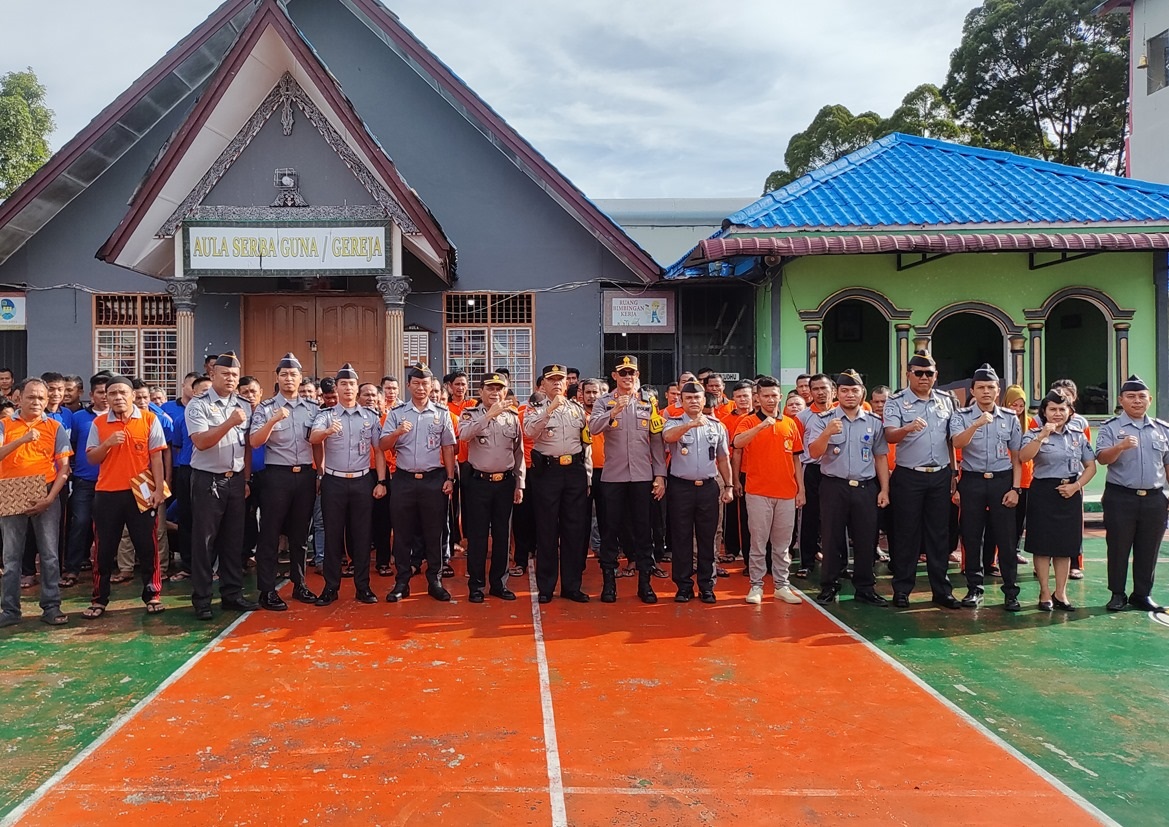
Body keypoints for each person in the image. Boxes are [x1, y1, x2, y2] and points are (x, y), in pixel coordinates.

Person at [82, 375, 167, 618]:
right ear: (105, 398)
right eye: (112, 394)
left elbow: (157, 458)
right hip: (107, 493)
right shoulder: (98, 424)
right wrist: (107, 443)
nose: (118, 397)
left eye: (123, 393)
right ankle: (99, 599)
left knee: (147, 545)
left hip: (140, 493)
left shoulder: (150, 420)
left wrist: (159, 490)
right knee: (104, 548)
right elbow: (92, 458)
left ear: (132, 395)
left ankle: (152, 594)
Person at [805, 369, 890, 606]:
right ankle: (829, 585)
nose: (850, 395)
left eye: (854, 390)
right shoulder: (823, 420)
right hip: (834, 486)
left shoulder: (874, 422)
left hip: (865, 487)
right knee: (832, 538)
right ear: (836, 393)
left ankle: (865, 587)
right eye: (844, 390)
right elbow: (813, 453)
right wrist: (827, 433)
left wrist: (884, 489)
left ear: (862, 393)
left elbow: (881, 457)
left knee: (866, 538)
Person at [588, 355, 667, 605]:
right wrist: (615, 410)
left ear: (638, 375)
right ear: (615, 376)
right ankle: (609, 583)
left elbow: (656, 440)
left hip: (643, 477)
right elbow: (594, 428)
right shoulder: (603, 402)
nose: (627, 377)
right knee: (610, 530)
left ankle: (645, 583)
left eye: (631, 373)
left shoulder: (648, 403)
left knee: (644, 530)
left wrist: (660, 475)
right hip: (613, 477)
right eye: (623, 373)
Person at [185, 351, 258, 620]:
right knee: (205, 542)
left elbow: (247, 446)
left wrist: (247, 478)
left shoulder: (244, 404)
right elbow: (202, 442)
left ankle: (232, 593)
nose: (230, 379)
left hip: (236, 480)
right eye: (225, 374)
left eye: (235, 375)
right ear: (213, 374)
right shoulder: (198, 404)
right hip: (208, 480)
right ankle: (202, 599)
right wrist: (229, 422)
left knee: (233, 540)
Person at [309, 363, 385, 606]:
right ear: (337, 388)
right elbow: (313, 439)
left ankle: (363, 587)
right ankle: (331, 587)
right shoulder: (326, 415)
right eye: (344, 384)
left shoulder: (370, 417)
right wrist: (328, 431)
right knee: (333, 535)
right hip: (334, 481)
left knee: (362, 536)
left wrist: (381, 480)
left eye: (352, 384)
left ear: (357, 388)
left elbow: (379, 450)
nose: (348, 388)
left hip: (362, 480)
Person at [248, 353, 320, 610]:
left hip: (305, 476)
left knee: (300, 535)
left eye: (294, 375)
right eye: (284, 374)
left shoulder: (313, 408)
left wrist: (319, 472)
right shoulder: (266, 408)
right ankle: (267, 590)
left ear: (300, 379)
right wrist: (273, 420)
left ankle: (299, 584)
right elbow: (255, 441)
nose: (289, 379)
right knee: (270, 533)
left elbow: (318, 443)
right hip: (276, 476)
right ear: (277, 378)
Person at [949, 364, 1023, 611]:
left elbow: (1017, 457)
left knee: (1006, 537)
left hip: (1002, 480)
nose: (986, 392)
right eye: (980, 387)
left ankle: (1011, 592)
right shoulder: (961, 416)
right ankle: (974, 589)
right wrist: (977, 424)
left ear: (998, 390)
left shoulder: (1010, 418)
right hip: (972, 480)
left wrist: (1016, 488)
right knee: (971, 536)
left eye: (990, 387)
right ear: (973, 390)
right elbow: (957, 443)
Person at [0, 378, 72, 627]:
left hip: (46, 490)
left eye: (42, 397)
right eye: (32, 397)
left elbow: (64, 467)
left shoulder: (55, 427)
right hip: (10, 490)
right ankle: (10, 610)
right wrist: (22, 439)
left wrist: (50, 498)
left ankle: (51, 606)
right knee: (11, 557)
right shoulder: (4, 425)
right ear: (18, 398)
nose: (37, 402)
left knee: (50, 555)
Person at [381, 363, 456, 603]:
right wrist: (397, 433)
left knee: (434, 531)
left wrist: (450, 478)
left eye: (425, 383)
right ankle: (402, 580)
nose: (421, 388)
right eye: (416, 383)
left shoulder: (441, 414)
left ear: (431, 385)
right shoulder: (397, 413)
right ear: (408, 385)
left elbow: (448, 448)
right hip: (404, 478)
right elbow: (383, 446)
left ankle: (434, 579)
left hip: (434, 478)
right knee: (402, 531)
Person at [1094, 375, 1169, 613]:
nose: (1137, 401)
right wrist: (1120, 446)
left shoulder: (1161, 429)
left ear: (1149, 399)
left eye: (1141, 397)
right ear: (1121, 400)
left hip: (1154, 498)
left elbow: (1167, 465)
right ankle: (1117, 594)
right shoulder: (1111, 427)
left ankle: (1142, 594)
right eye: (1131, 397)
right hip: (1121, 496)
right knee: (1118, 546)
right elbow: (1102, 459)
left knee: (1149, 547)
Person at [1019, 390, 1096, 611]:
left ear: (1070, 412)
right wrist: (1042, 435)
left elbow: (1090, 466)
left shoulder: (1078, 435)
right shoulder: (1034, 432)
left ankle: (1060, 592)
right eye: (1052, 409)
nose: (1057, 413)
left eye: (1062, 409)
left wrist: (1076, 486)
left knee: (1065, 546)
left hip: (1070, 491)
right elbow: (1024, 457)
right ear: (1044, 412)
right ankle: (1044, 592)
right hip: (1043, 492)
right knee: (1042, 546)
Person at [732, 375, 804, 605]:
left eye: (774, 395)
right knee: (758, 542)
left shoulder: (790, 423)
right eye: (766, 396)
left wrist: (800, 490)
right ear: (757, 398)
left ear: (780, 396)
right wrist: (762, 425)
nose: (771, 400)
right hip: (758, 492)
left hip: (786, 493)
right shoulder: (748, 421)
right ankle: (756, 585)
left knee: (783, 545)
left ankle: (782, 585)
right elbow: (738, 443)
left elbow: (796, 460)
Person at [525, 365, 592, 603]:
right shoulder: (535, 408)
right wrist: (549, 411)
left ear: (566, 383)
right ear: (543, 384)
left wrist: (588, 476)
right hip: (548, 472)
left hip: (574, 471)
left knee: (574, 529)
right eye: (551, 380)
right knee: (547, 529)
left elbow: (587, 444)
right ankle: (546, 586)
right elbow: (530, 431)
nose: (556, 383)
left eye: (560, 380)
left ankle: (572, 586)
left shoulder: (576, 410)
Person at [663, 381, 732, 604]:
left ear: (704, 401)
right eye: (689, 398)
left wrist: (729, 486)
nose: (694, 401)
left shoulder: (716, 426)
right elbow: (668, 438)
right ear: (681, 401)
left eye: (697, 398)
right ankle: (683, 586)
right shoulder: (673, 422)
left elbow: (723, 458)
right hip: (681, 487)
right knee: (681, 538)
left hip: (709, 487)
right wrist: (690, 425)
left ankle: (707, 585)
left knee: (707, 538)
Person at [458, 373, 525, 603]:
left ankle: (499, 583)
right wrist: (487, 416)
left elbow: (519, 453)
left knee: (502, 536)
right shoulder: (470, 414)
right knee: (477, 537)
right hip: (479, 483)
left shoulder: (512, 417)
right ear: (480, 391)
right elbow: (464, 435)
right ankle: (476, 586)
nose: (495, 392)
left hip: (505, 483)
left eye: (500, 388)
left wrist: (519, 483)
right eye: (490, 388)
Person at [63, 373, 110, 587]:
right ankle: (72, 568)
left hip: (111, 482)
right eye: (100, 392)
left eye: (108, 392)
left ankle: (105, 567)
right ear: (91, 394)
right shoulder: (79, 417)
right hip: (84, 480)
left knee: (107, 526)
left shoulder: (120, 418)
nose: (105, 397)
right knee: (80, 522)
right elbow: (70, 446)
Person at [162, 372, 206, 581]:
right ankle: (188, 565)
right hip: (187, 471)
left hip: (211, 472)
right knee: (187, 519)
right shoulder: (181, 419)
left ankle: (211, 565)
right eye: (201, 392)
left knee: (209, 521)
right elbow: (177, 447)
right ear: (193, 393)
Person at [794, 374, 834, 580]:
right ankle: (807, 562)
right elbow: (797, 452)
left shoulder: (840, 413)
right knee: (809, 517)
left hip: (836, 470)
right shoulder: (802, 417)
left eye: (823, 388)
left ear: (832, 390)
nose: (820, 392)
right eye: (815, 388)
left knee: (837, 518)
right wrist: (800, 486)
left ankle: (837, 562)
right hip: (812, 470)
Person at [1003, 385, 1033, 565]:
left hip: (1026, 478)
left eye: (1021, 406)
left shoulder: (1030, 422)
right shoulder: (1001, 420)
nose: (1017, 409)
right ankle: (1002, 553)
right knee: (1005, 518)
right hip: (1007, 474)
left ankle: (1015, 549)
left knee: (1020, 518)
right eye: (1013, 405)